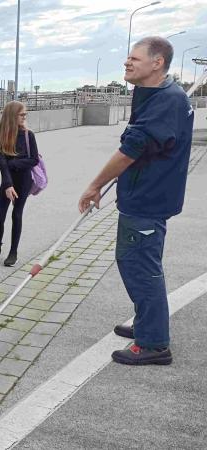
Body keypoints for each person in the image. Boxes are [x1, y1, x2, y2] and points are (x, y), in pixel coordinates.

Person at [78, 36, 192, 366]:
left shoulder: (165, 101)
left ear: (157, 63)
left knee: (140, 267)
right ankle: (146, 324)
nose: (127, 63)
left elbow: (131, 150)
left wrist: (94, 186)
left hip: (147, 200)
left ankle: (154, 343)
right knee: (138, 262)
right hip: (148, 195)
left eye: (134, 58)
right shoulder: (160, 95)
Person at [0, 101, 39, 267]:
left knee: (16, 214)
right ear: (12, 116)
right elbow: (2, 165)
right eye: (22, 114)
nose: (25, 117)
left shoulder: (28, 135)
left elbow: (33, 160)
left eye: (25, 114)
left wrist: (14, 164)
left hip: (24, 180)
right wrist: (8, 184)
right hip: (7, 179)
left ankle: (13, 252)